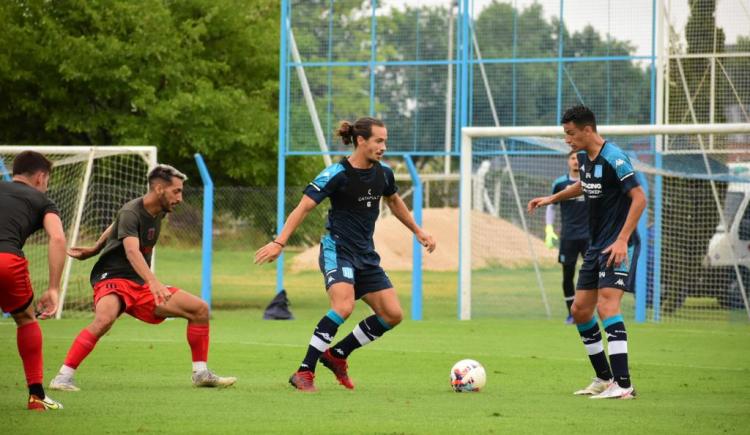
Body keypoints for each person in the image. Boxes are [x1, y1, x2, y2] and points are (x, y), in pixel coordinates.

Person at [255, 117, 436, 392]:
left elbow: (394, 201)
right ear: (361, 141)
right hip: (337, 250)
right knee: (343, 306)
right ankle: (304, 371)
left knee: (393, 314)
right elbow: (303, 207)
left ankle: (337, 355)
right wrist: (279, 243)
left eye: (385, 141)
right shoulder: (336, 173)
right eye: (378, 140)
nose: (383, 146)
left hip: (366, 255)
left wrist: (418, 231)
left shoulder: (384, 173)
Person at [49, 164, 235, 391]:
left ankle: (201, 372)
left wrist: (96, 247)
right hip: (113, 278)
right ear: (158, 189)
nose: (180, 197)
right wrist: (153, 281)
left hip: (138, 282)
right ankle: (62, 377)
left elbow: (115, 224)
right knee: (104, 320)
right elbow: (131, 251)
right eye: (176, 191)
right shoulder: (132, 211)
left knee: (199, 309)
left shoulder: (159, 209)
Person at [528, 105, 646, 399]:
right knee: (580, 311)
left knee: (607, 307)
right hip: (597, 245)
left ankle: (624, 385)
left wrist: (621, 240)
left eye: (570, 134)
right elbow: (585, 185)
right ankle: (604, 378)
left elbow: (640, 198)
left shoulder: (615, 157)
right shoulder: (583, 157)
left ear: (587, 129)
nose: (567, 140)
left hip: (618, 244)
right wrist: (552, 198)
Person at [0, 151, 67, 410]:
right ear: (40, 177)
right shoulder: (42, 200)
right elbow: (58, 239)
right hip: (6, 260)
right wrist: (53, 288)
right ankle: (36, 396)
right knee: (26, 319)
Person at [545, 151, 589, 324]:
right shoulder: (560, 183)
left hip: (589, 237)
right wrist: (549, 229)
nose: (576, 162)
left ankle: (587, 311)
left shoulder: (592, 182)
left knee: (591, 275)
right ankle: (572, 314)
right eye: (572, 158)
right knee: (567, 275)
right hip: (568, 237)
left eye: (579, 159)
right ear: (568, 161)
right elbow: (551, 206)